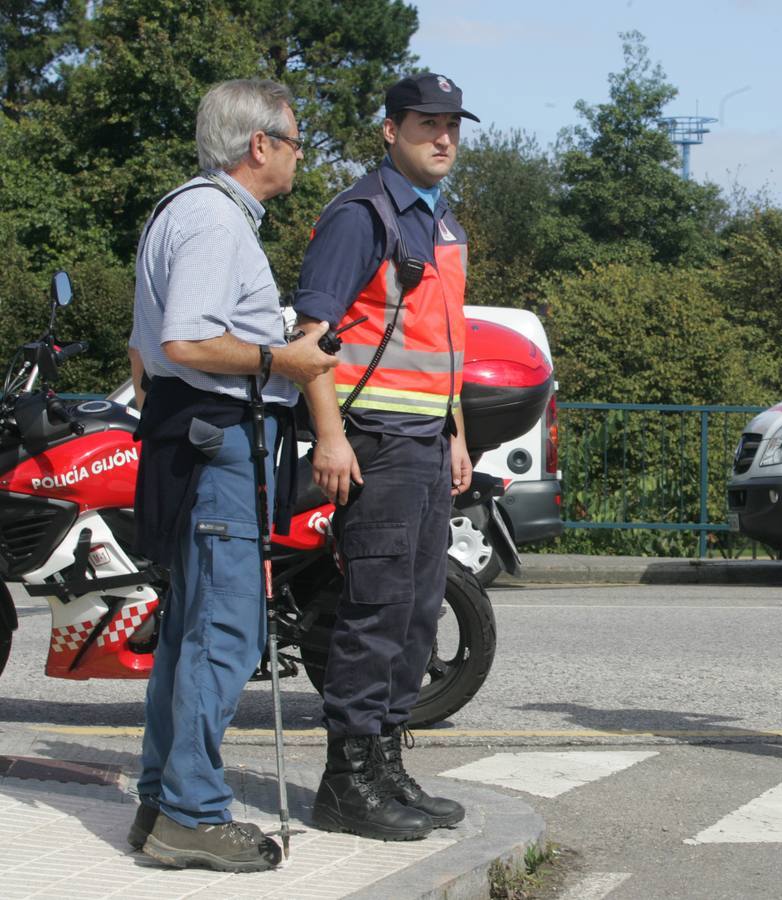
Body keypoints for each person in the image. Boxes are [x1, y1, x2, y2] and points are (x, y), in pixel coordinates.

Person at [127, 79, 338, 872]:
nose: (296, 156)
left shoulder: (181, 210)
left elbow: (143, 354)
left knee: (189, 630)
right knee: (226, 629)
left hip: (189, 440)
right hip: (217, 445)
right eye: (293, 142)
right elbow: (186, 341)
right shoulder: (216, 221)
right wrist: (283, 358)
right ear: (260, 146)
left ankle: (162, 800)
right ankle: (190, 811)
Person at [291, 72, 475, 841]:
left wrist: (457, 430)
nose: (443, 138)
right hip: (375, 441)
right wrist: (330, 436)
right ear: (389, 130)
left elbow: (442, 344)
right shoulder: (360, 216)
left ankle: (385, 765)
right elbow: (309, 342)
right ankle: (346, 780)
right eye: (427, 124)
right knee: (373, 609)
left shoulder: (440, 224)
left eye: (452, 126)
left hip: (427, 440)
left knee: (417, 608)